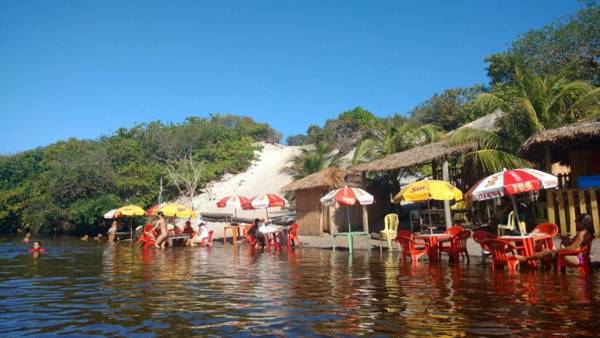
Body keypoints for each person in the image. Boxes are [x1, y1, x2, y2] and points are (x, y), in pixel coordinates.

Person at [518, 214, 594, 266]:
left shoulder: (581, 235)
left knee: (547, 252)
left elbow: (572, 248)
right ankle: (528, 259)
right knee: (547, 252)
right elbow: (577, 244)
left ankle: (525, 259)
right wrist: (567, 240)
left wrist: (555, 250)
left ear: (582, 223)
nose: (575, 223)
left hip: (578, 259)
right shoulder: (588, 233)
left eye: (577, 221)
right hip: (583, 258)